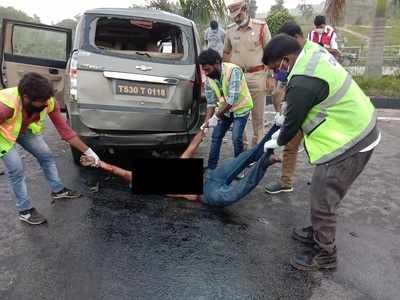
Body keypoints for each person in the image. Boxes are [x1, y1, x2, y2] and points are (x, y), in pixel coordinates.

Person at [262, 34, 380, 271]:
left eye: (276, 68)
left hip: (351, 141)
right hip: (356, 128)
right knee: (321, 193)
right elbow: (299, 104)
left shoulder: (303, 79)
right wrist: (286, 113)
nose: (276, 74)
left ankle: (326, 253)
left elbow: (292, 123)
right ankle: (317, 231)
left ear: (286, 60)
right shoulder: (311, 54)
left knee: (322, 197)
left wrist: (276, 141)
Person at [80, 125, 281, 206]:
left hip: (211, 180)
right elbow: (118, 171)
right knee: (236, 189)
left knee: (243, 160)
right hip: (207, 189)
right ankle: (266, 158)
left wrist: (206, 126)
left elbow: (193, 146)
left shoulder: (168, 171)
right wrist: (98, 163)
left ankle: (277, 127)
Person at [0, 73, 100, 225]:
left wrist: (89, 152)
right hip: (3, 133)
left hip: (23, 127)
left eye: (47, 99)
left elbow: (65, 131)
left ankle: (58, 190)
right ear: (26, 97)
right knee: (16, 168)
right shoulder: (5, 106)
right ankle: (25, 210)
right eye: (42, 102)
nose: (47, 104)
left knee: (46, 155)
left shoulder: (48, 101)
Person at [224, 0, 274, 148]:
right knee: (239, 116)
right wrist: (226, 78)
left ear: (245, 9)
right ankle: (243, 150)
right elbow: (226, 53)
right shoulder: (230, 30)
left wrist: (270, 77)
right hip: (237, 78)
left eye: (238, 15)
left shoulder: (261, 27)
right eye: (233, 16)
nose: (236, 18)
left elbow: (270, 52)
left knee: (258, 118)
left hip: (258, 77)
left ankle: (257, 150)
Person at [265, 22, 306, 194]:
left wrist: (281, 134)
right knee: (291, 145)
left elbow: (303, 90)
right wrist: (283, 107)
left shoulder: (310, 60)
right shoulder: (292, 61)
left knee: (322, 150)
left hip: (317, 112)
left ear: (297, 39)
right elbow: (286, 84)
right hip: (298, 106)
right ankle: (286, 182)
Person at [199, 49, 253, 170]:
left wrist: (216, 116)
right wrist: (206, 122)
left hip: (241, 109)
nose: (206, 73)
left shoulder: (233, 71)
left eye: (207, 69)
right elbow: (211, 103)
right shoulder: (209, 79)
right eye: (204, 70)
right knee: (216, 136)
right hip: (225, 111)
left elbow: (232, 100)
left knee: (236, 137)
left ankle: (238, 169)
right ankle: (212, 168)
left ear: (217, 63)